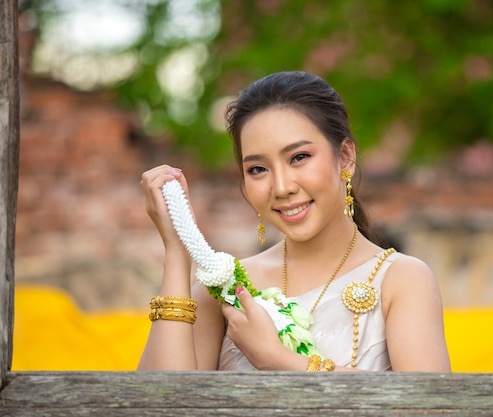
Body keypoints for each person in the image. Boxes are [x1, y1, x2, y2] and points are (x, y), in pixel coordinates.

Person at [138, 71, 451, 372]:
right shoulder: (225, 291)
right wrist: (178, 251)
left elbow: (427, 408)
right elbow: (156, 404)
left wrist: (279, 359)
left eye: (299, 157)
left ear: (345, 157)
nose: (282, 187)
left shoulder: (401, 280)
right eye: (258, 169)